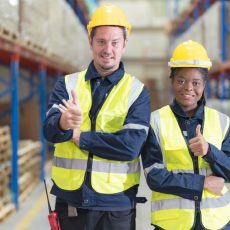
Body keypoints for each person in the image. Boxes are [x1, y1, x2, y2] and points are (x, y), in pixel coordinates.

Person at [43, 4, 150, 230]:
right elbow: (49, 131)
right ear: (90, 42)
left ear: (124, 44)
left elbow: (130, 147)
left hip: (115, 205)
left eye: (114, 42)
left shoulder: (137, 92)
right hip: (71, 201)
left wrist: (79, 136)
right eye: (101, 41)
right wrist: (63, 123)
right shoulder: (67, 84)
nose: (107, 49)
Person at [142, 40, 230, 230]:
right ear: (171, 81)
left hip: (217, 223)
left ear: (204, 84)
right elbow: (154, 176)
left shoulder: (222, 122)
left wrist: (209, 152)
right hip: (173, 224)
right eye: (181, 80)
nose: (188, 88)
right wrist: (202, 183)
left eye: (196, 82)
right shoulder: (155, 122)